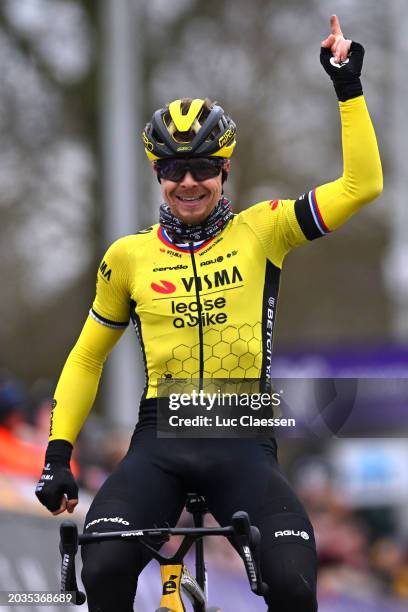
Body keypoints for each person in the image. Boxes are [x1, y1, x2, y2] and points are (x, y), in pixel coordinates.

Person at [35, 15, 382, 612]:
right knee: (105, 564)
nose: (188, 182)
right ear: (157, 174)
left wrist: (347, 89)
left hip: (244, 442)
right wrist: (58, 455)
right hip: (159, 443)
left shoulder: (264, 228)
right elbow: (88, 355)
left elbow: (362, 185)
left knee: (296, 586)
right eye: (174, 170)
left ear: (226, 170)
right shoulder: (129, 256)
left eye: (202, 168)